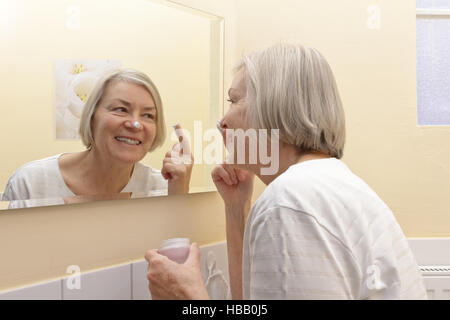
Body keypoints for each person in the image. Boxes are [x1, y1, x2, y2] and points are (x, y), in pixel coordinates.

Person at [144, 44, 427, 299]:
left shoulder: (290, 201)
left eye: (233, 100)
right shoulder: (326, 183)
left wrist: (189, 298)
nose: (222, 121)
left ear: (274, 104)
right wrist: (236, 208)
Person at [2, 69, 193, 206]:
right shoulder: (30, 182)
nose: (135, 124)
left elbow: (174, 258)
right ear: (92, 117)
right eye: (121, 109)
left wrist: (178, 194)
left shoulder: (160, 186)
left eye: (148, 115)